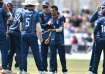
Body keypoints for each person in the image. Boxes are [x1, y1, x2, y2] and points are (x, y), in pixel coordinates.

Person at [12, 0, 44, 74]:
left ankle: (24, 71)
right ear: (33, 5)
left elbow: (20, 26)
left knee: (23, 54)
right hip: (32, 35)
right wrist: (41, 38)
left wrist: (22, 32)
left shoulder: (23, 13)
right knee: (36, 54)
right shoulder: (36, 13)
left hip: (23, 35)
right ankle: (41, 70)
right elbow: (38, 27)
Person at [47, 5, 68, 74]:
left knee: (62, 57)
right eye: (51, 11)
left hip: (60, 41)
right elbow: (50, 30)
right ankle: (53, 70)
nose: (51, 12)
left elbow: (60, 29)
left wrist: (52, 29)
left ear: (56, 10)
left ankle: (64, 70)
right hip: (53, 40)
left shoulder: (61, 17)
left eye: (53, 11)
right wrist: (48, 38)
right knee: (52, 57)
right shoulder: (51, 19)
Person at [88, 3, 105, 74]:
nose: (103, 9)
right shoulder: (98, 14)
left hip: (100, 37)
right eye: (102, 7)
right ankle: (92, 69)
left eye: (104, 8)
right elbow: (91, 20)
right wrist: (96, 11)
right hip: (97, 38)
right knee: (94, 55)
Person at [0, 0, 13, 73]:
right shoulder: (2, 10)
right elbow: (10, 17)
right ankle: (4, 68)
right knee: (4, 50)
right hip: (1, 32)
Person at [7, 2, 20, 71]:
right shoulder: (7, 14)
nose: (9, 8)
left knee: (16, 50)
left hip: (15, 33)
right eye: (8, 7)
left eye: (10, 6)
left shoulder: (15, 13)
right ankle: (9, 67)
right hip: (10, 34)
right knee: (11, 51)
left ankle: (18, 64)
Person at [39, 1, 51, 73]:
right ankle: (44, 70)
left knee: (52, 55)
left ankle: (53, 69)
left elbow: (53, 25)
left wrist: (46, 25)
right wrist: (47, 24)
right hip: (43, 36)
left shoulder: (52, 14)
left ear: (49, 6)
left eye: (46, 6)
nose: (45, 8)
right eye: (44, 7)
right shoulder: (40, 14)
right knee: (43, 55)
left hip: (51, 36)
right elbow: (40, 25)